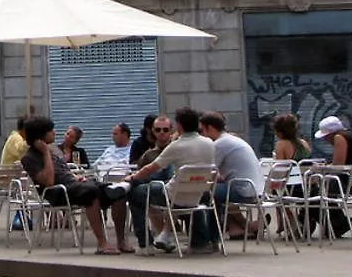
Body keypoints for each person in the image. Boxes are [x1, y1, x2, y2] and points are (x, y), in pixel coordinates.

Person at [20, 116, 132, 255]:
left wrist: (77, 177)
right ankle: (102, 243)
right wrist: (45, 153)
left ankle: (121, 241)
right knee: (91, 192)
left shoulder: (54, 151)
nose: (54, 133)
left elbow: (65, 171)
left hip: (73, 185)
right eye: (51, 131)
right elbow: (48, 182)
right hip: (57, 192)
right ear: (41, 135)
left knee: (118, 191)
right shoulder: (29, 158)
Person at [126, 106, 217, 254]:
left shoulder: (176, 146)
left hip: (173, 196)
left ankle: (145, 244)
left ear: (179, 126)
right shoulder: (210, 143)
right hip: (199, 193)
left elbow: (150, 168)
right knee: (193, 196)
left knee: (136, 193)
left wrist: (133, 177)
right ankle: (199, 243)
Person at [198, 111, 263, 240]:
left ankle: (210, 237)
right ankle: (238, 228)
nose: (201, 134)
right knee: (219, 190)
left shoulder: (219, 144)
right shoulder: (232, 139)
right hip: (256, 188)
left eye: (202, 130)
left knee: (205, 192)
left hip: (243, 190)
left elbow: (206, 171)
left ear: (209, 128)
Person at [313, 115, 352, 238]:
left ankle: (339, 224)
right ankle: (337, 224)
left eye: (325, 137)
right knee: (321, 191)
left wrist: (320, 168)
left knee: (315, 194)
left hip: (351, 183)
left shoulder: (340, 137)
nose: (325, 140)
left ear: (331, 134)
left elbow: (338, 166)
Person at [126, 115, 174, 249]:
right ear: (152, 131)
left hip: (172, 191)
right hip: (164, 194)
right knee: (145, 196)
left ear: (171, 130)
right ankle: (156, 238)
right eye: (158, 130)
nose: (162, 133)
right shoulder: (148, 155)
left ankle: (146, 242)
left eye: (165, 130)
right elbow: (140, 171)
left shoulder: (178, 148)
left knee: (137, 194)